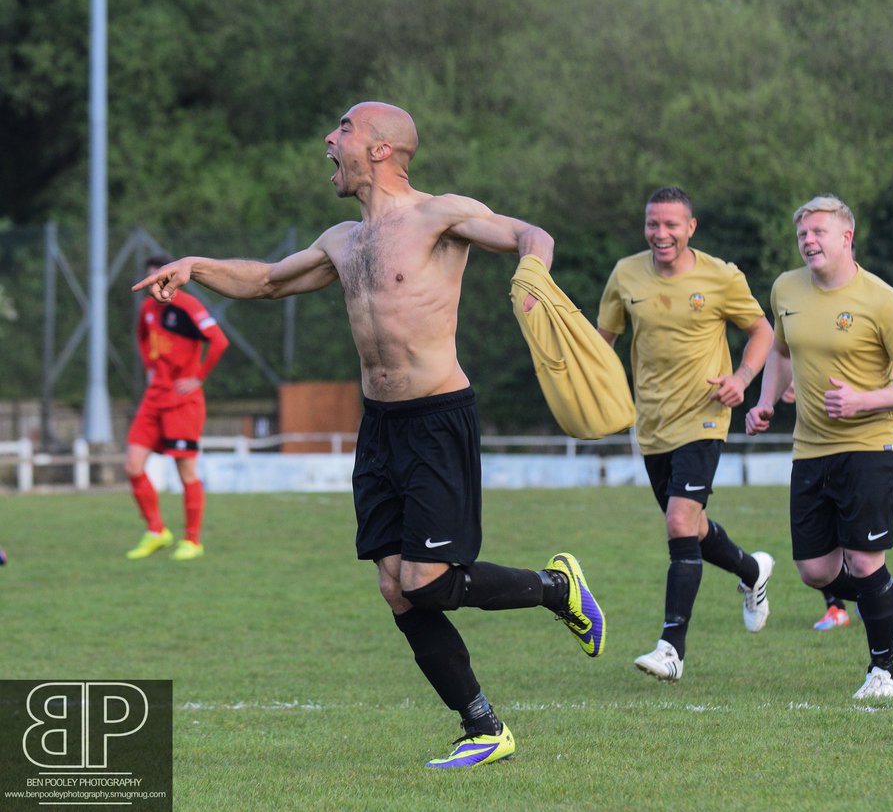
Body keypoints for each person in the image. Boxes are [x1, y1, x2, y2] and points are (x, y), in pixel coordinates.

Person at [135, 101, 606, 769]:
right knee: (395, 585)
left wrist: (533, 274)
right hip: (379, 426)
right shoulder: (341, 240)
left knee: (428, 580)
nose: (331, 139)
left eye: (345, 130)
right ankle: (482, 726)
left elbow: (530, 233)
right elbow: (269, 282)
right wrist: (195, 266)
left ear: (381, 148)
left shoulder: (439, 215)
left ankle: (558, 591)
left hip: (439, 418)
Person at [746, 195, 893, 699]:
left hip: (872, 445)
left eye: (819, 232)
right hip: (810, 448)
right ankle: (891, 599)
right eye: (802, 234)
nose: (809, 241)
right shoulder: (786, 287)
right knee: (816, 571)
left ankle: (882, 673)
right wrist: (766, 401)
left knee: (864, 561)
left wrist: (865, 400)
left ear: (846, 237)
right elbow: (781, 351)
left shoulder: (882, 300)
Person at [597, 186, 776, 683]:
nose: (661, 234)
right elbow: (601, 345)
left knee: (679, 522)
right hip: (651, 423)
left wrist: (741, 379)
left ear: (690, 227)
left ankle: (671, 648)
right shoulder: (625, 274)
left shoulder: (720, 276)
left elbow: (762, 330)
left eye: (671, 225)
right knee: (692, 528)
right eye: (653, 224)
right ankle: (751, 571)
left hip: (705, 415)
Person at [125, 255, 229, 561]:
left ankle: (192, 540)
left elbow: (219, 341)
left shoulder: (188, 306)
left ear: (172, 277)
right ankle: (157, 531)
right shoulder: (147, 310)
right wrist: (150, 368)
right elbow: (142, 340)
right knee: (132, 465)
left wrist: (196, 378)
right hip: (154, 397)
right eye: (150, 280)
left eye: (160, 278)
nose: (155, 285)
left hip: (182, 402)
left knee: (185, 471)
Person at [781, 381, 851, 632]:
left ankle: (875, 595)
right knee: (817, 548)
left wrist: (862, 396)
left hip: (859, 444)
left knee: (852, 541)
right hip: (813, 447)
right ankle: (840, 604)